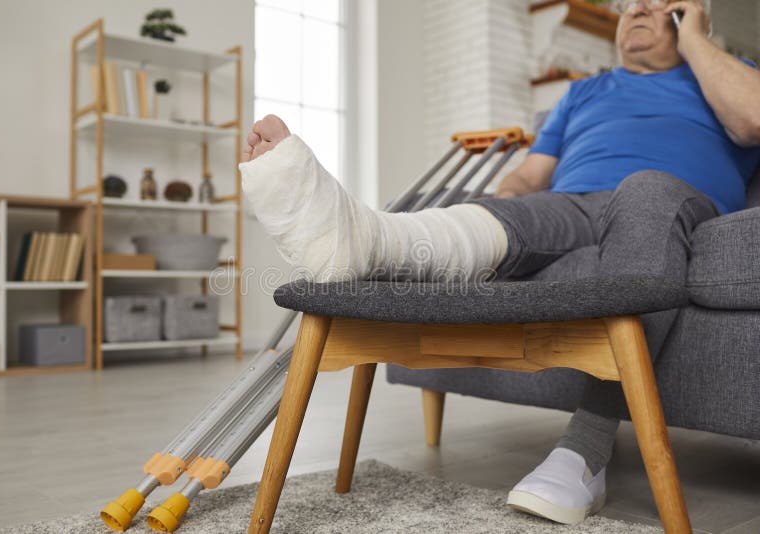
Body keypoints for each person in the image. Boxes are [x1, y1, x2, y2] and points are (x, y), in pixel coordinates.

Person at [239, 0, 760, 525]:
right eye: (628, 5)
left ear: (691, 15)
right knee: (499, 213)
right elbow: (530, 177)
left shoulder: (724, 77)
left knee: (644, 189)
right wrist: (504, 202)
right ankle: (362, 242)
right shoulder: (583, 92)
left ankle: (585, 451)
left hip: (671, 202)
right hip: (570, 203)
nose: (638, 10)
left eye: (658, 3)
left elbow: (753, 118)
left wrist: (697, 38)